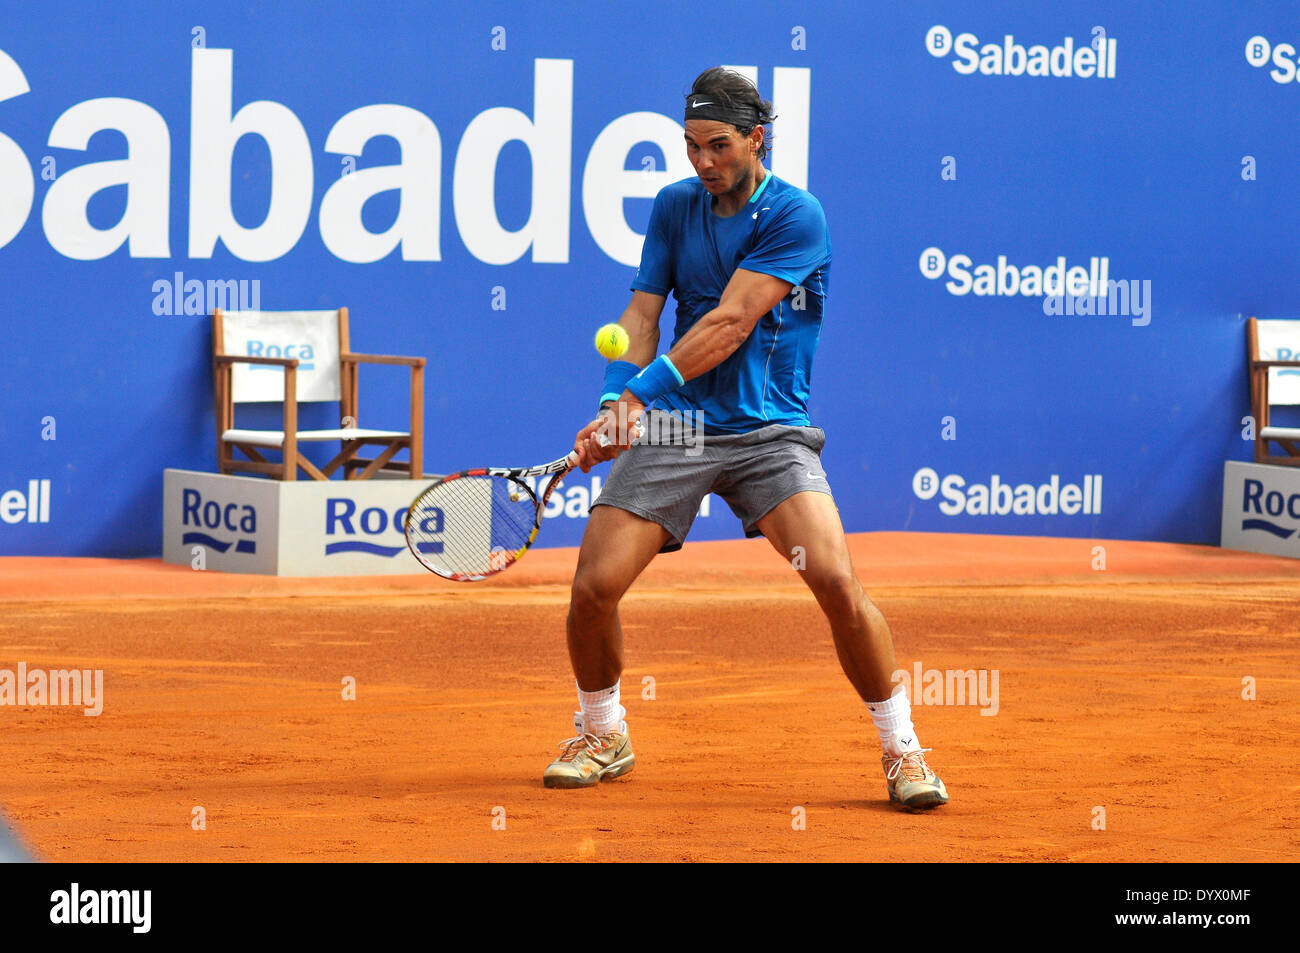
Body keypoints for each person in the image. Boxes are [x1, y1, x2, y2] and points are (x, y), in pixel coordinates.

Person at [542, 67, 948, 810]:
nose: (703, 162)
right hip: (680, 430)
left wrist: (636, 396)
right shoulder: (674, 208)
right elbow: (640, 313)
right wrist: (612, 397)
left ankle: (903, 748)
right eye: (692, 146)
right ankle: (604, 731)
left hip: (770, 433)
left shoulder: (798, 215)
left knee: (834, 582)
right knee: (593, 587)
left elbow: (729, 324)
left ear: (756, 138)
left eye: (719, 145)